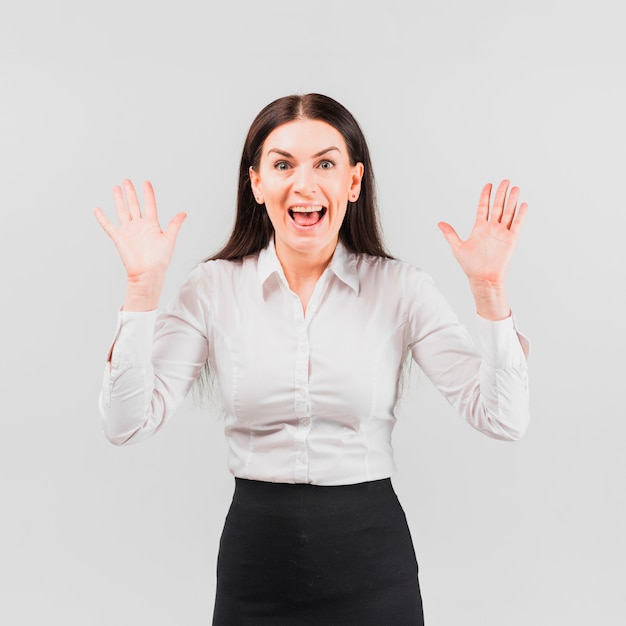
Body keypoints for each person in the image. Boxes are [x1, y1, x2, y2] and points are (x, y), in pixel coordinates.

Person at [94, 93, 529, 625]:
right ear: (256, 183)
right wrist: (142, 289)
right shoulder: (211, 288)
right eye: (282, 165)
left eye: (325, 163)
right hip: (256, 564)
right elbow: (125, 423)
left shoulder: (401, 289)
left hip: (372, 564)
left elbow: (504, 418)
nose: (304, 184)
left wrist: (489, 289)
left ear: (352, 181)